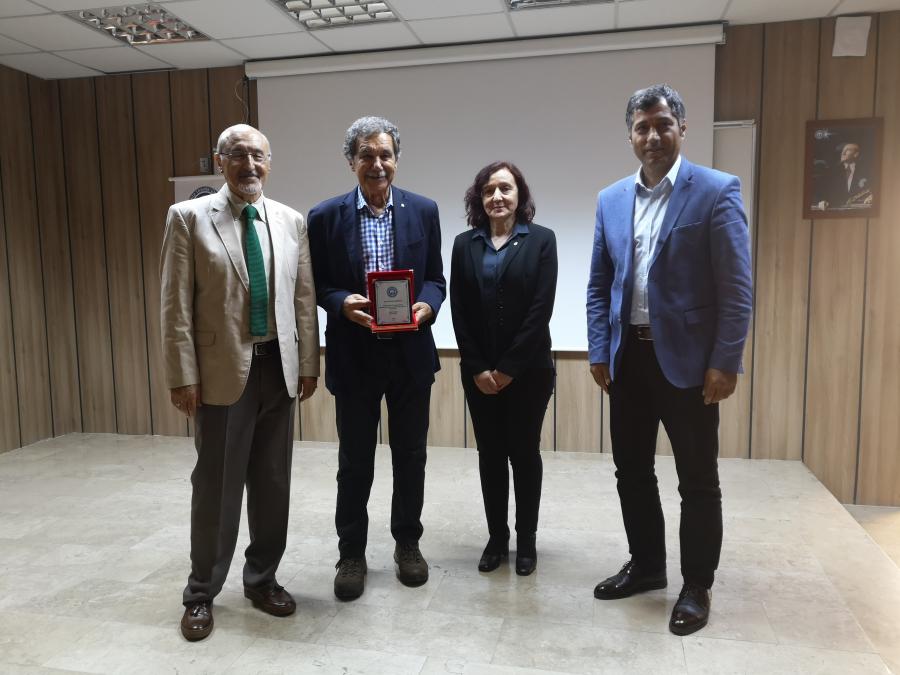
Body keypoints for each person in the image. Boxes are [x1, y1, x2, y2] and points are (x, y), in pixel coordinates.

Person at [585, 84, 752, 635]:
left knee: (697, 479)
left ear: (682, 128)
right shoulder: (611, 198)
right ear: (630, 135)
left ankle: (697, 584)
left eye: (662, 124)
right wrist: (599, 348)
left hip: (690, 364)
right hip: (628, 359)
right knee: (631, 471)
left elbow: (736, 288)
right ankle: (648, 566)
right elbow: (599, 284)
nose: (652, 136)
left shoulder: (717, 190)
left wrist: (725, 360)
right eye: (642, 127)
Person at [160, 124, 319, 641]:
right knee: (216, 486)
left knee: (273, 483)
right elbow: (175, 305)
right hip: (221, 373)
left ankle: (262, 580)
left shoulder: (291, 221)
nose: (249, 165)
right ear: (220, 161)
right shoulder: (188, 218)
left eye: (258, 156)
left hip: (279, 369)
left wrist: (308, 363)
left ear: (270, 163)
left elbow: (303, 298)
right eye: (238, 155)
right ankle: (200, 593)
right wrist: (182, 375)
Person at [307, 116, 446, 600]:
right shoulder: (324, 216)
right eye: (366, 154)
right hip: (354, 356)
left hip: (410, 355)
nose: (377, 164)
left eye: (385, 154)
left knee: (411, 457)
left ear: (397, 160)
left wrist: (427, 305)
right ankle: (351, 553)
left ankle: (408, 544)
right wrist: (340, 302)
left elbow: (435, 279)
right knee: (354, 462)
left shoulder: (423, 210)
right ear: (352, 161)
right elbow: (316, 283)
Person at [450, 161, 557, 576]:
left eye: (505, 189)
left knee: (524, 454)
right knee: (490, 455)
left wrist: (509, 368)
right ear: (479, 198)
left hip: (529, 372)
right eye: (489, 190)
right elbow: (459, 310)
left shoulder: (542, 240)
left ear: (519, 195)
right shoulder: (464, 244)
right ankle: (497, 539)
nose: (497, 196)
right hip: (478, 375)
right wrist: (478, 367)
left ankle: (526, 541)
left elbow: (540, 310)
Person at [820, 141, 872, 209]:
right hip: (835, 210)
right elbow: (823, 191)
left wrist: (872, 196)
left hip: (858, 210)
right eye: (843, 150)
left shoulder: (866, 170)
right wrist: (822, 201)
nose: (843, 153)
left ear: (856, 154)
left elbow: (872, 188)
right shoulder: (832, 171)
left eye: (847, 150)